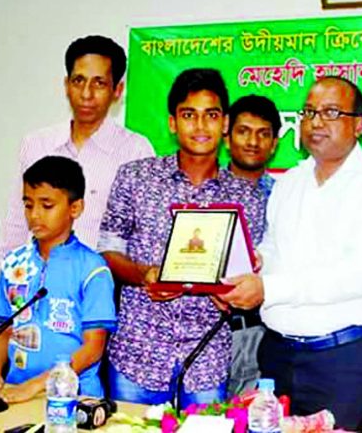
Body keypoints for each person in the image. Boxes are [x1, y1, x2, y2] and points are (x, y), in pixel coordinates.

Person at [220, 77, 362, 431]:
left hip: (341, 362)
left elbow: (359, 275)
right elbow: (276, 245)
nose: (316, 121)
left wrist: (269, 289)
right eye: (309, 112)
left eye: (331, 112)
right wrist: (255, 261)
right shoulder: (290, 181)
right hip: (276, 357)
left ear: (359, 124)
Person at [97, 68, 267, 407]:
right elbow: (108, 249)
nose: (201, 127)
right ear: (173, 122)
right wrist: (144, 275)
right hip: (139, 350)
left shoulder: (248, 197)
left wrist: (233, 293)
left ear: (225, 123)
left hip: (208, 354)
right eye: (189, 115)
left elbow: (252, 274)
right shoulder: (136, 177)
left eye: (211, 115)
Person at [0, 35, 154, 256]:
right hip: (36, 284)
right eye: (78, 81)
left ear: (117, 91)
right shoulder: (37, 144)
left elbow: (143, 236)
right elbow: (15, 227)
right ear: (66, 85)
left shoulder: (135, 151)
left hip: (100, 286)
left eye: (99, 83)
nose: (86, 94)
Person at [0, 156, 116, 402]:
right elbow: (3, 330)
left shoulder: (93, 269)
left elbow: (93, 349)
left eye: (46, 206)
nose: (34, 215)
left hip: (74, 396)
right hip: (15, 391)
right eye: (28, 204)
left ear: (75, 208)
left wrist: (35, 386)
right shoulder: (14, 263)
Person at [224, 94, 280, 396]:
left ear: (274, 143)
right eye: (243, 131)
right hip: (205, 327)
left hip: (260, 328)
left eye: (263, 134)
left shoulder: (285, 198)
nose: (253, 141)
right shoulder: (206, 190)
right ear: (227, 136)